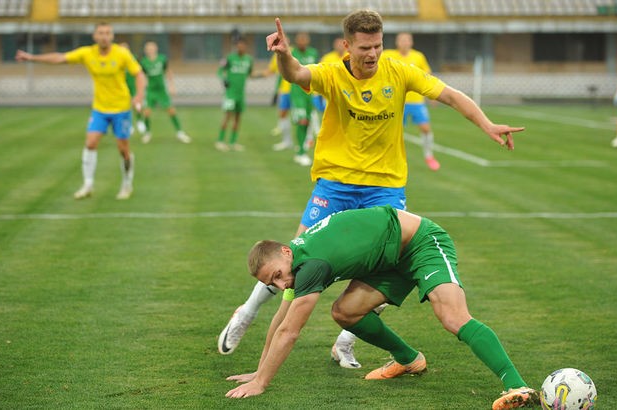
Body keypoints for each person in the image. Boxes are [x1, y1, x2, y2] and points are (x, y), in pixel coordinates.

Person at [217, 10, 524, 370]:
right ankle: (247, 312)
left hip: (384, 187)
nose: (373, 53)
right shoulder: (332, 74)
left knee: (388, 266)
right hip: (336, 183)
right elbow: (296, 74)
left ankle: (346, 341)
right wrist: (284, 55)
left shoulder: (399, 71)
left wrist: (486, 123)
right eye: (365, 47)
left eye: (378, 45)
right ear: (347, 46)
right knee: (293, 260)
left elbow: (450, 95)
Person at [225, 206, 539, 409]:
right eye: (273, 283)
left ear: (284, 251)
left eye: (278, 276)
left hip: (421, 244)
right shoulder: (296, 261)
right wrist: (259, 370)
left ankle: (517, 386)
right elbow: (281, 319)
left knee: (452, 317)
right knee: (345, 312)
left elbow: (290, 332)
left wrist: (261, 383)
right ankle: (409, 360)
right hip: (388, 260)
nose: (281, 284)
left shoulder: (310, 266)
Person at [16, 22, 145, 200]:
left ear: (112, 36)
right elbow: (60, 58)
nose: (104, 36)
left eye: (108, 33)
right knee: (90, 143)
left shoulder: (122, 54)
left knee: (123, 149)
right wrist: (32, 57)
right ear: (95, 36)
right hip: (99, 108)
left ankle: (127, 184)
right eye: (101, 33)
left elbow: (139, 74)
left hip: (121, 108)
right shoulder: (87, 53)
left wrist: (139, 96)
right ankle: (88, 185)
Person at [382, 33, 440, 170]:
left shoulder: (418, 56)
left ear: (411, 42)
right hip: (396, 102)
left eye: (407, 40)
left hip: (416, 101)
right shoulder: (388, 55)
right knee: (392, 133)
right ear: (397, 42)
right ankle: (389, 159)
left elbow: (427, 76)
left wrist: (432, 95)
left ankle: (429, 156)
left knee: (425, 129)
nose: (404, 43)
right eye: (401, 40)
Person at [138, 41, 191, 144]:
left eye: (152, 48)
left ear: (156, 48)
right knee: (147, 112)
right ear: (145, 50)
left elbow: (168, 71)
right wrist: (142, 88)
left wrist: (172, 86)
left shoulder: (162, 59)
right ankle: (147, 133)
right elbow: (141, 75)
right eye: (148, 49)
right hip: (151, 91)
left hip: (161, 90)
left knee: (171, 111)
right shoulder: (144, 62)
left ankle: (180, 132)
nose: (150, 50)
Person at [216, 38, 255, 152]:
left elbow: (250, 74)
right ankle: (220, 141)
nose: (240, 47)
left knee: (238, 118)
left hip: (241, 94)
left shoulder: (249, 59)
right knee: (227, 116)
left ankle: (233, 142)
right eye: (238, 45)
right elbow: (220, 71)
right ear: (236, 46)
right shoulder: (230, 58)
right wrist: (224, 79)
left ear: (246, 46)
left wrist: (264, 74)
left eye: (242, 45)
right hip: (230, 93)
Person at [288, 32, 319, 166]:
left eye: (304, 40)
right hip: (297, 93)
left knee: (307, 122)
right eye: (299, 40)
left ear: (308, 41)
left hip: (309, 94)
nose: (302, 42)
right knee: (302, 121)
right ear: (296, 41)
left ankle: (302, 149)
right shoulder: (292, 53)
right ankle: (300, 152)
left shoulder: (313, 53)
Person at [265, 54, 294, 151]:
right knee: (283, 115)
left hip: (297, 90)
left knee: (301, 117)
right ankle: (287, 141)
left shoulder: (293, 52)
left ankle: (308, 141)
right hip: (285, 90)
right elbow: (275, 72)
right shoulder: (276, 55)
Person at [119, 42, 144, 135]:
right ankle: (129, 125)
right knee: (125, 106)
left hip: (133, 84)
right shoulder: (116, 59)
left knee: (136, 104)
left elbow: (140, 71)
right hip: (122, 85)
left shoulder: (134, 58)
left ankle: (140, 121)